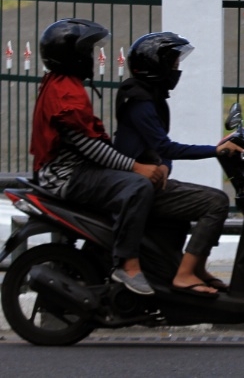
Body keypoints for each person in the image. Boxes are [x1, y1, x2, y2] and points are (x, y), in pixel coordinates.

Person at [31, 19, 163, 296]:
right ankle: (127, 264)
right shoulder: (65, 93)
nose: (91, 58)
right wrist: (136, 167)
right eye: (87, 51)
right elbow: (90, 147)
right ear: (73, 56)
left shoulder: (63, 84)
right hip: (66, 176)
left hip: (73, 171)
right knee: (137, 186)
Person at [114, 32, 242, 297]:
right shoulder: (141, 102)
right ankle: (185, 274)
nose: (176, 70)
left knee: (201, 202)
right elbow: (164, 147)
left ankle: (197, 268)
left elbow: (156, 150)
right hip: (138, 187)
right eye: (172, 64)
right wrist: (215, 151)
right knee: (215, 202)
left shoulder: (148, 96)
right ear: (154, 66)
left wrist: (164, 165)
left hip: (146, 183)